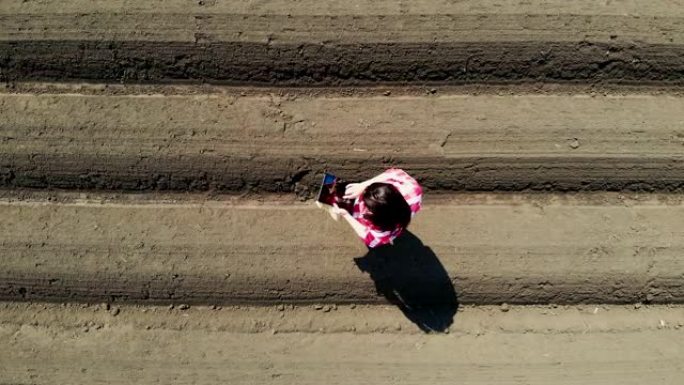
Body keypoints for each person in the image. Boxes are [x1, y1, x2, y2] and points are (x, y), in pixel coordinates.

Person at [331, 168, 422, 248]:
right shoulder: (413, 190)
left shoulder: (382, 230)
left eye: (368, 207)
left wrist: (346, 215)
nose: (363, 210)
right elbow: (394, 173)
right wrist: (363, 185)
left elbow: (370, 239)